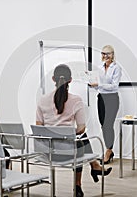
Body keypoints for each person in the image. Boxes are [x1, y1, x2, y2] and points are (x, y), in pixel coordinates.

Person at [36, 64, 112, 197]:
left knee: (77, 142)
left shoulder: (42, 100)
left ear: (53, 79)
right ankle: (79, 184)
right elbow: (81, 128)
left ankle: (94, 167)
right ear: (70, 80)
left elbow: (38, 127)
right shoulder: (76, 100)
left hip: (47, 152)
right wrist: (69, 134)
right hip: (69, 153)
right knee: (79, 141)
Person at [89, 45, 122, 164]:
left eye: (108, 54)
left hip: (112, 99)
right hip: (101, 98)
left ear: (113, 55)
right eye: (103, 53)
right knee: (103, 125)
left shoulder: (116, 68)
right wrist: (91, 82)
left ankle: (109, 150)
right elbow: (98, 85)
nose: (105, 56)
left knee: (108, 125)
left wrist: (99, 84)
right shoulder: (99, 67)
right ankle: (109, 149)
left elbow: (114, 86)